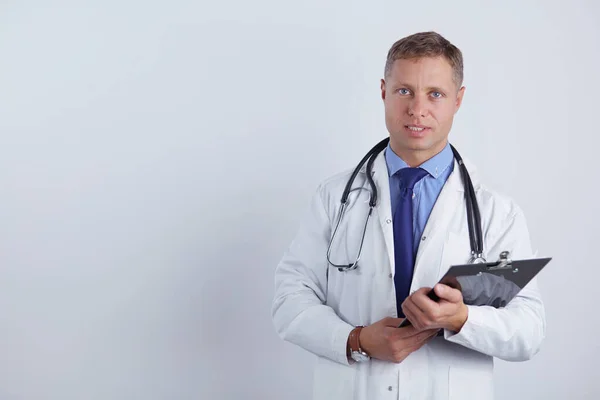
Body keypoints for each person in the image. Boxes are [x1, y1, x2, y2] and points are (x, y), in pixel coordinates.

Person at [271, 31, 545, 400]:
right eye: (404, 91)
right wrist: (355, 340)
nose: (417, 109)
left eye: (435, 94)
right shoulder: (334, 198)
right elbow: (290, 299)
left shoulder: (498, 214)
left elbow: (529, 331)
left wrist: (462, 319)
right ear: (383, 91)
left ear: (458, 100)